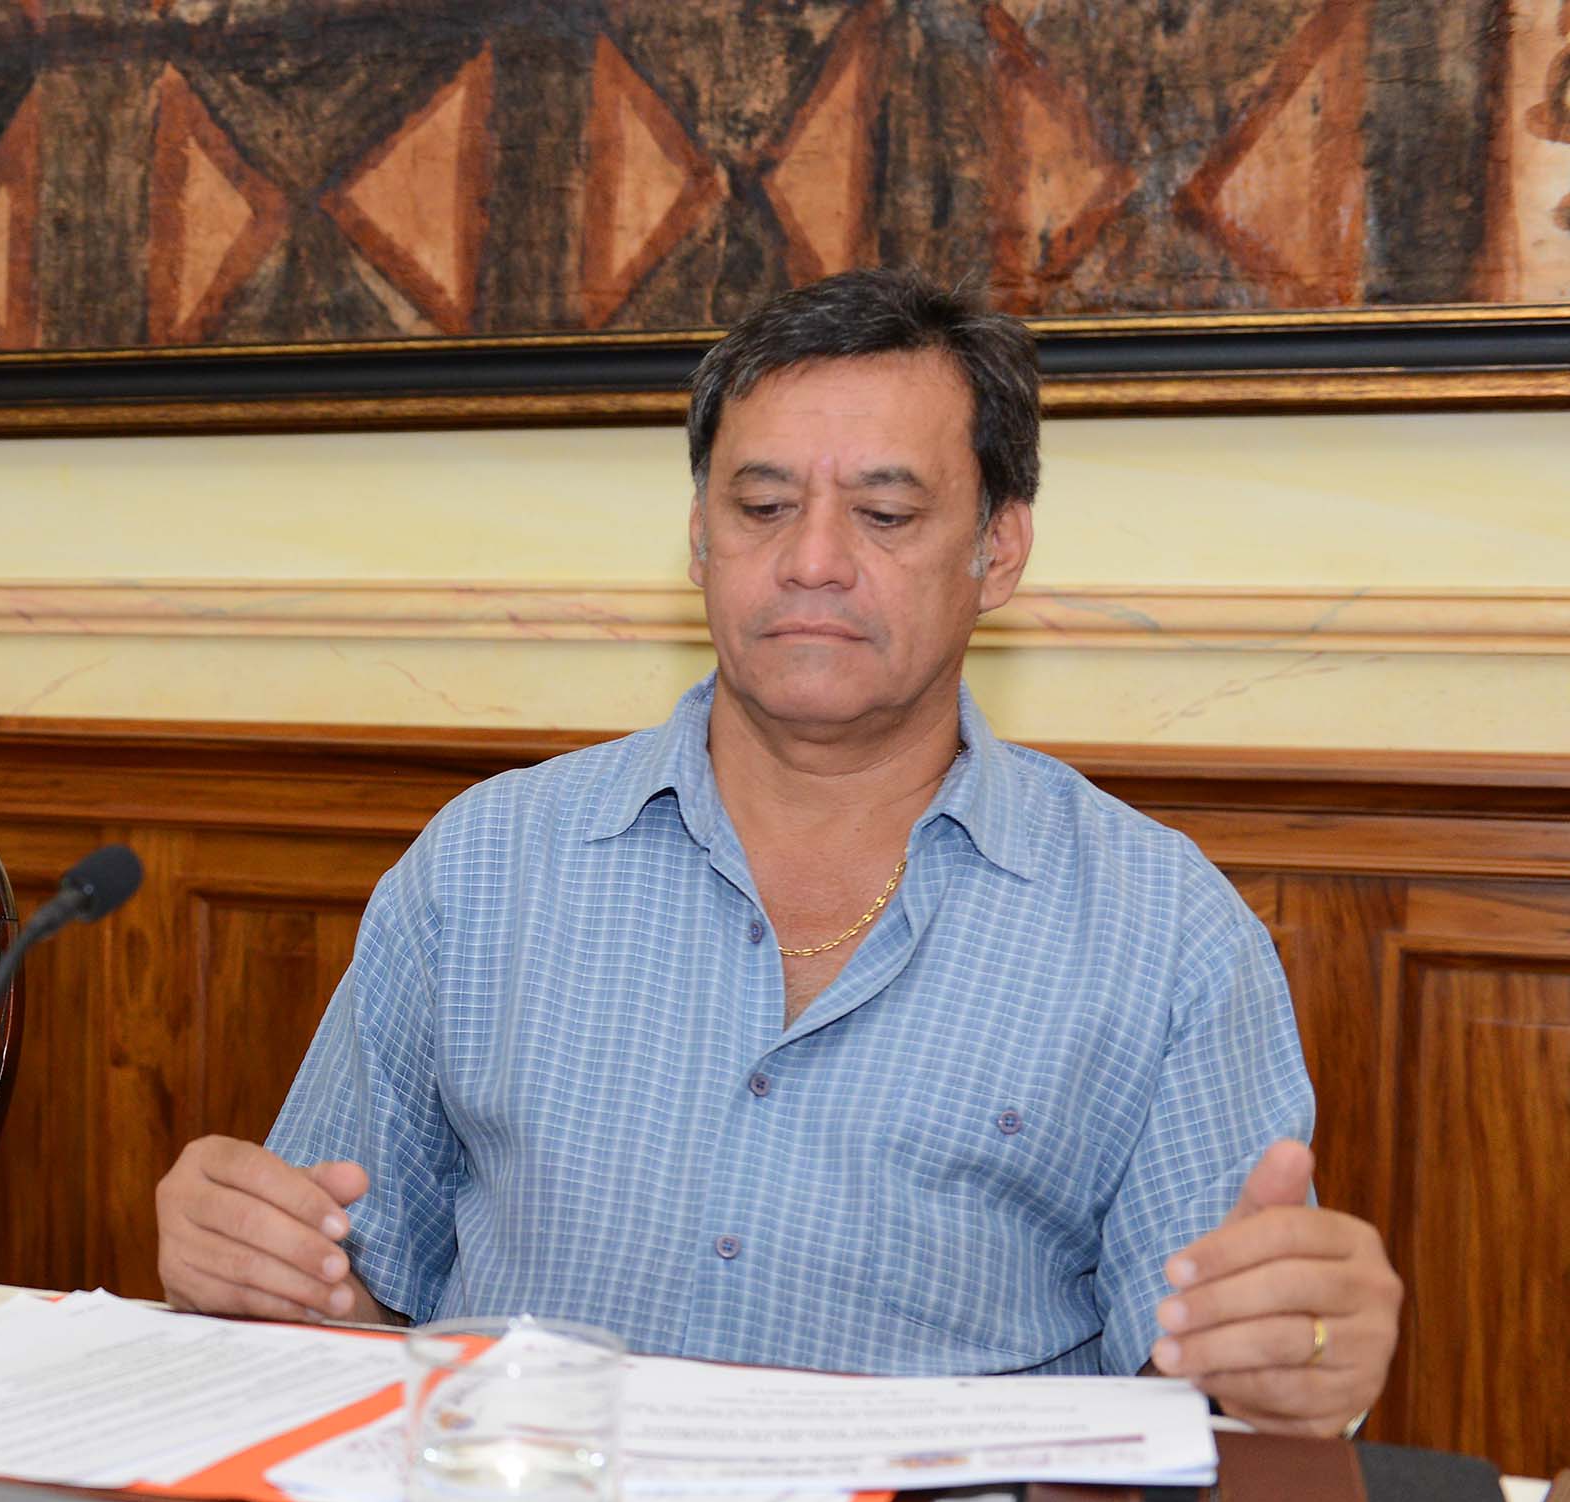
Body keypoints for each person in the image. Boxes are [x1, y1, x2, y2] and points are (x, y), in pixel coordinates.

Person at [154, 268, 1400, 1436]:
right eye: (761, 508)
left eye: (886, 513)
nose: (811, 562)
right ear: (700, 538)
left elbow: (1208, 1399)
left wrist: (1286, 1364)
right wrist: (259, 1268)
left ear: (999, 550)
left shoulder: (1164, 933)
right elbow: (343, 1306)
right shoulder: (483, 868)